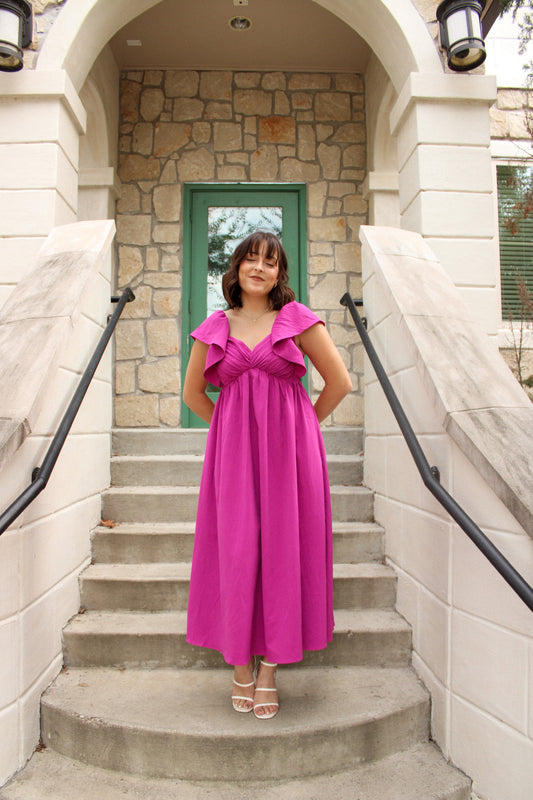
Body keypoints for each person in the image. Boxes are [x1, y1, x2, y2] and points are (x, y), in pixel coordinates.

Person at [182, 231, 352, 719]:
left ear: (281, 274)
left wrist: (300, 430)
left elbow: (338, 383)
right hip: (232, 459)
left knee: (284, 549)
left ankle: (270, 669)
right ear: (234, 270)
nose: (259, 267)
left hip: (291, 458)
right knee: (235, 549)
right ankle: (238, 662)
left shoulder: (297, 321)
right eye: (250, 258)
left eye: (271, 261)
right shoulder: (214, 326)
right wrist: (229, 434)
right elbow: (194, 394)